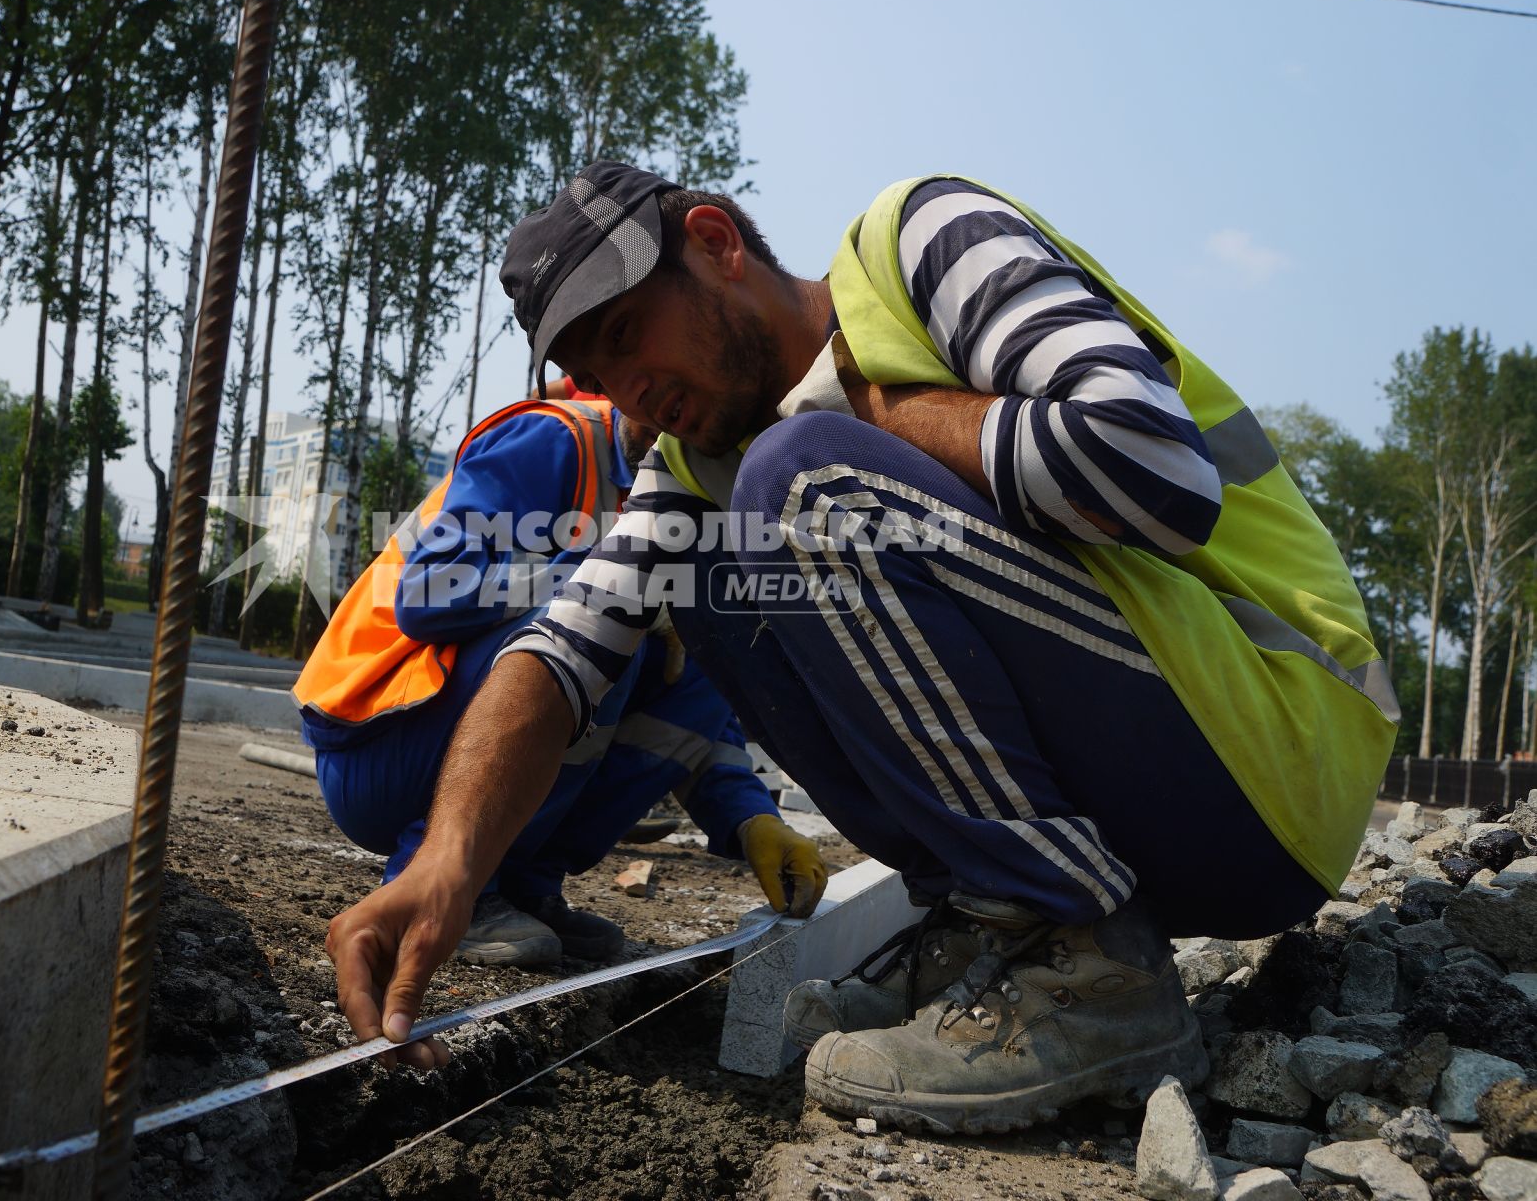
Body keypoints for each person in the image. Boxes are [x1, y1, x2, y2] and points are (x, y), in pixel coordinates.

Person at [324, 162, 1396, 1128]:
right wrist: (448, 861)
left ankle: (1082, 960)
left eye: (623, 333)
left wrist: (872, 405)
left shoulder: (924, 240)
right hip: (1169, 796)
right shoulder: (695, 465)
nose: (623, 390)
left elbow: (1155, 469)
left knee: (798, 478)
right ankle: (992, 929)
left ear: (715, 241)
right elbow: (562, 650)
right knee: (701, 553)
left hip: (1275, 745)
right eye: (589, 371)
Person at [297, 393, 828, 1033]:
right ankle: (455, 880)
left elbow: (695, 714)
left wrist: (750, 819)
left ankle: (526, 882)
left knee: (699, 663)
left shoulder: (704, 501)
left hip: (445, 746)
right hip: (379, 741)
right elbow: (427, 594)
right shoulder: (549, 443)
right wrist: (606, 579)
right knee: (602, 632)